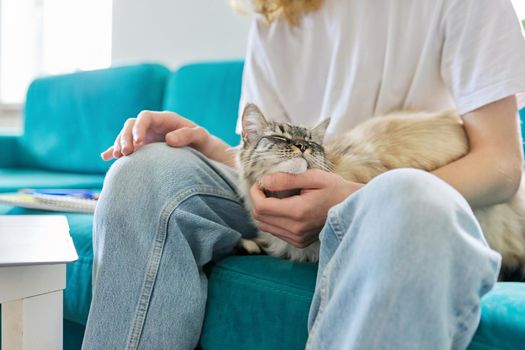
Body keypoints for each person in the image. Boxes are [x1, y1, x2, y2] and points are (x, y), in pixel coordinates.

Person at [82, 0, 525, 349]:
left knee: (411, 200)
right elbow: (273, 159)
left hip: (395, 190)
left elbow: (501, 166)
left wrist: (354, 198)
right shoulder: (277, 11)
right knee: (144, 171)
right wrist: (202, 143)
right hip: (305, 185)